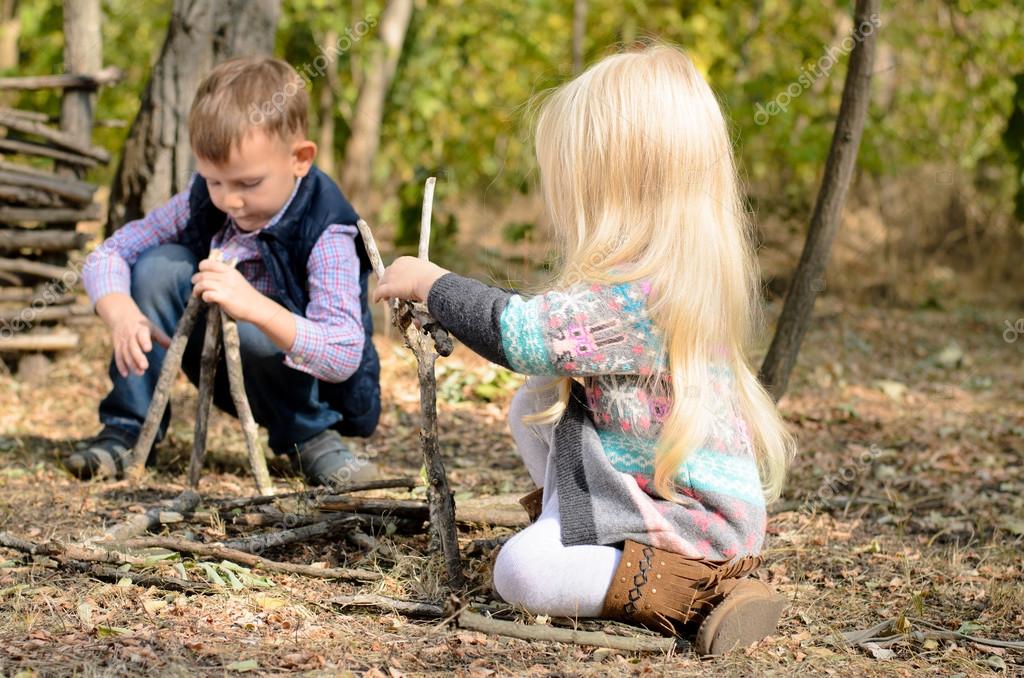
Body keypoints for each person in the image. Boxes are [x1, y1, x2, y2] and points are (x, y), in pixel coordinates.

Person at [372, 44, 797, 655]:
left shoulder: (644, 299)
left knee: (520, 573)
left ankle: (698, 592)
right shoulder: (655, 283)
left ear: (617, 190)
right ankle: (580, 534)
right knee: (534, 404)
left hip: (694, 522)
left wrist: (433, 285)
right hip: (648, 487)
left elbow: (521, 334)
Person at [72, 56, 381, 487]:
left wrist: (255, 307)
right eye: (215, 181)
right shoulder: (203, 200)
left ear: (300, 159)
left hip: (301, 386)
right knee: (157, 266)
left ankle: (311, 438)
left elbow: (345, 353)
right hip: (222, 366)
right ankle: (127, 429)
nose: (229, 201)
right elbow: (110, 252)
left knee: (255, 315)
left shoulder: (326, 229)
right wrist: (118, 309)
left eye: (248, 184)